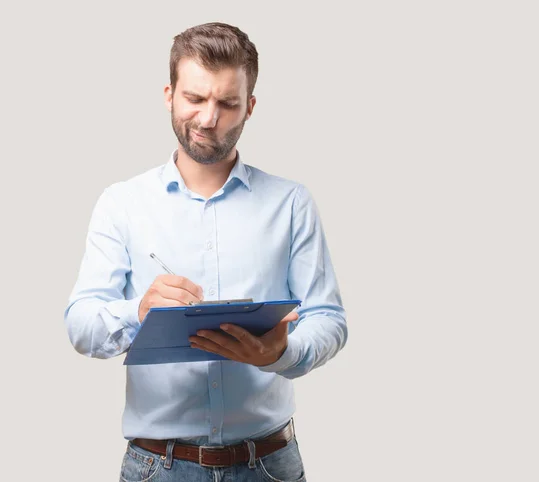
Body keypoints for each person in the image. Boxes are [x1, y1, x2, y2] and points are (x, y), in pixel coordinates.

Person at [64, 22, 347, 481]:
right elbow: (80, 325)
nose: (208, 119)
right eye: (194, 99)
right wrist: (139, 310)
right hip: (158, 467)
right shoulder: (122, 204)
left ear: (250, 107)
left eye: (227, 103)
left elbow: (330, 320)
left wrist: (281, 353)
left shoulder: (291, 203)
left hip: (269, 465)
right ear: (169, 94)